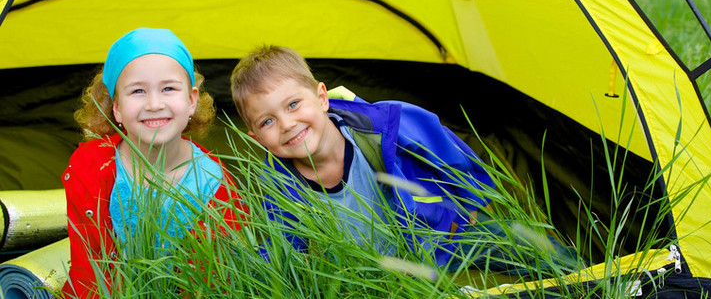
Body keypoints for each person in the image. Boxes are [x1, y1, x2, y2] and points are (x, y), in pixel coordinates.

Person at [230, 45, 504, 267]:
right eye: (267, 121)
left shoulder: (383, 126)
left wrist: (476, 200)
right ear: (256, 139)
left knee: (521, 248)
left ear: (321, 98)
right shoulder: (280, 184)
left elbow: (445, 149)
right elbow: (285, 245)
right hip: (371, 277)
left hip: (444, 238)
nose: (287, 124)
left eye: (293, 104)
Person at [62, 28, 244, 298]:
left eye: (168, 88)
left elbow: (213, 284)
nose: (155, 103)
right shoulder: (91, 167)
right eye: (137, 91)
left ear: (191, 100)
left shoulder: (217, 187)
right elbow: (89, 273)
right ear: (117, 108)